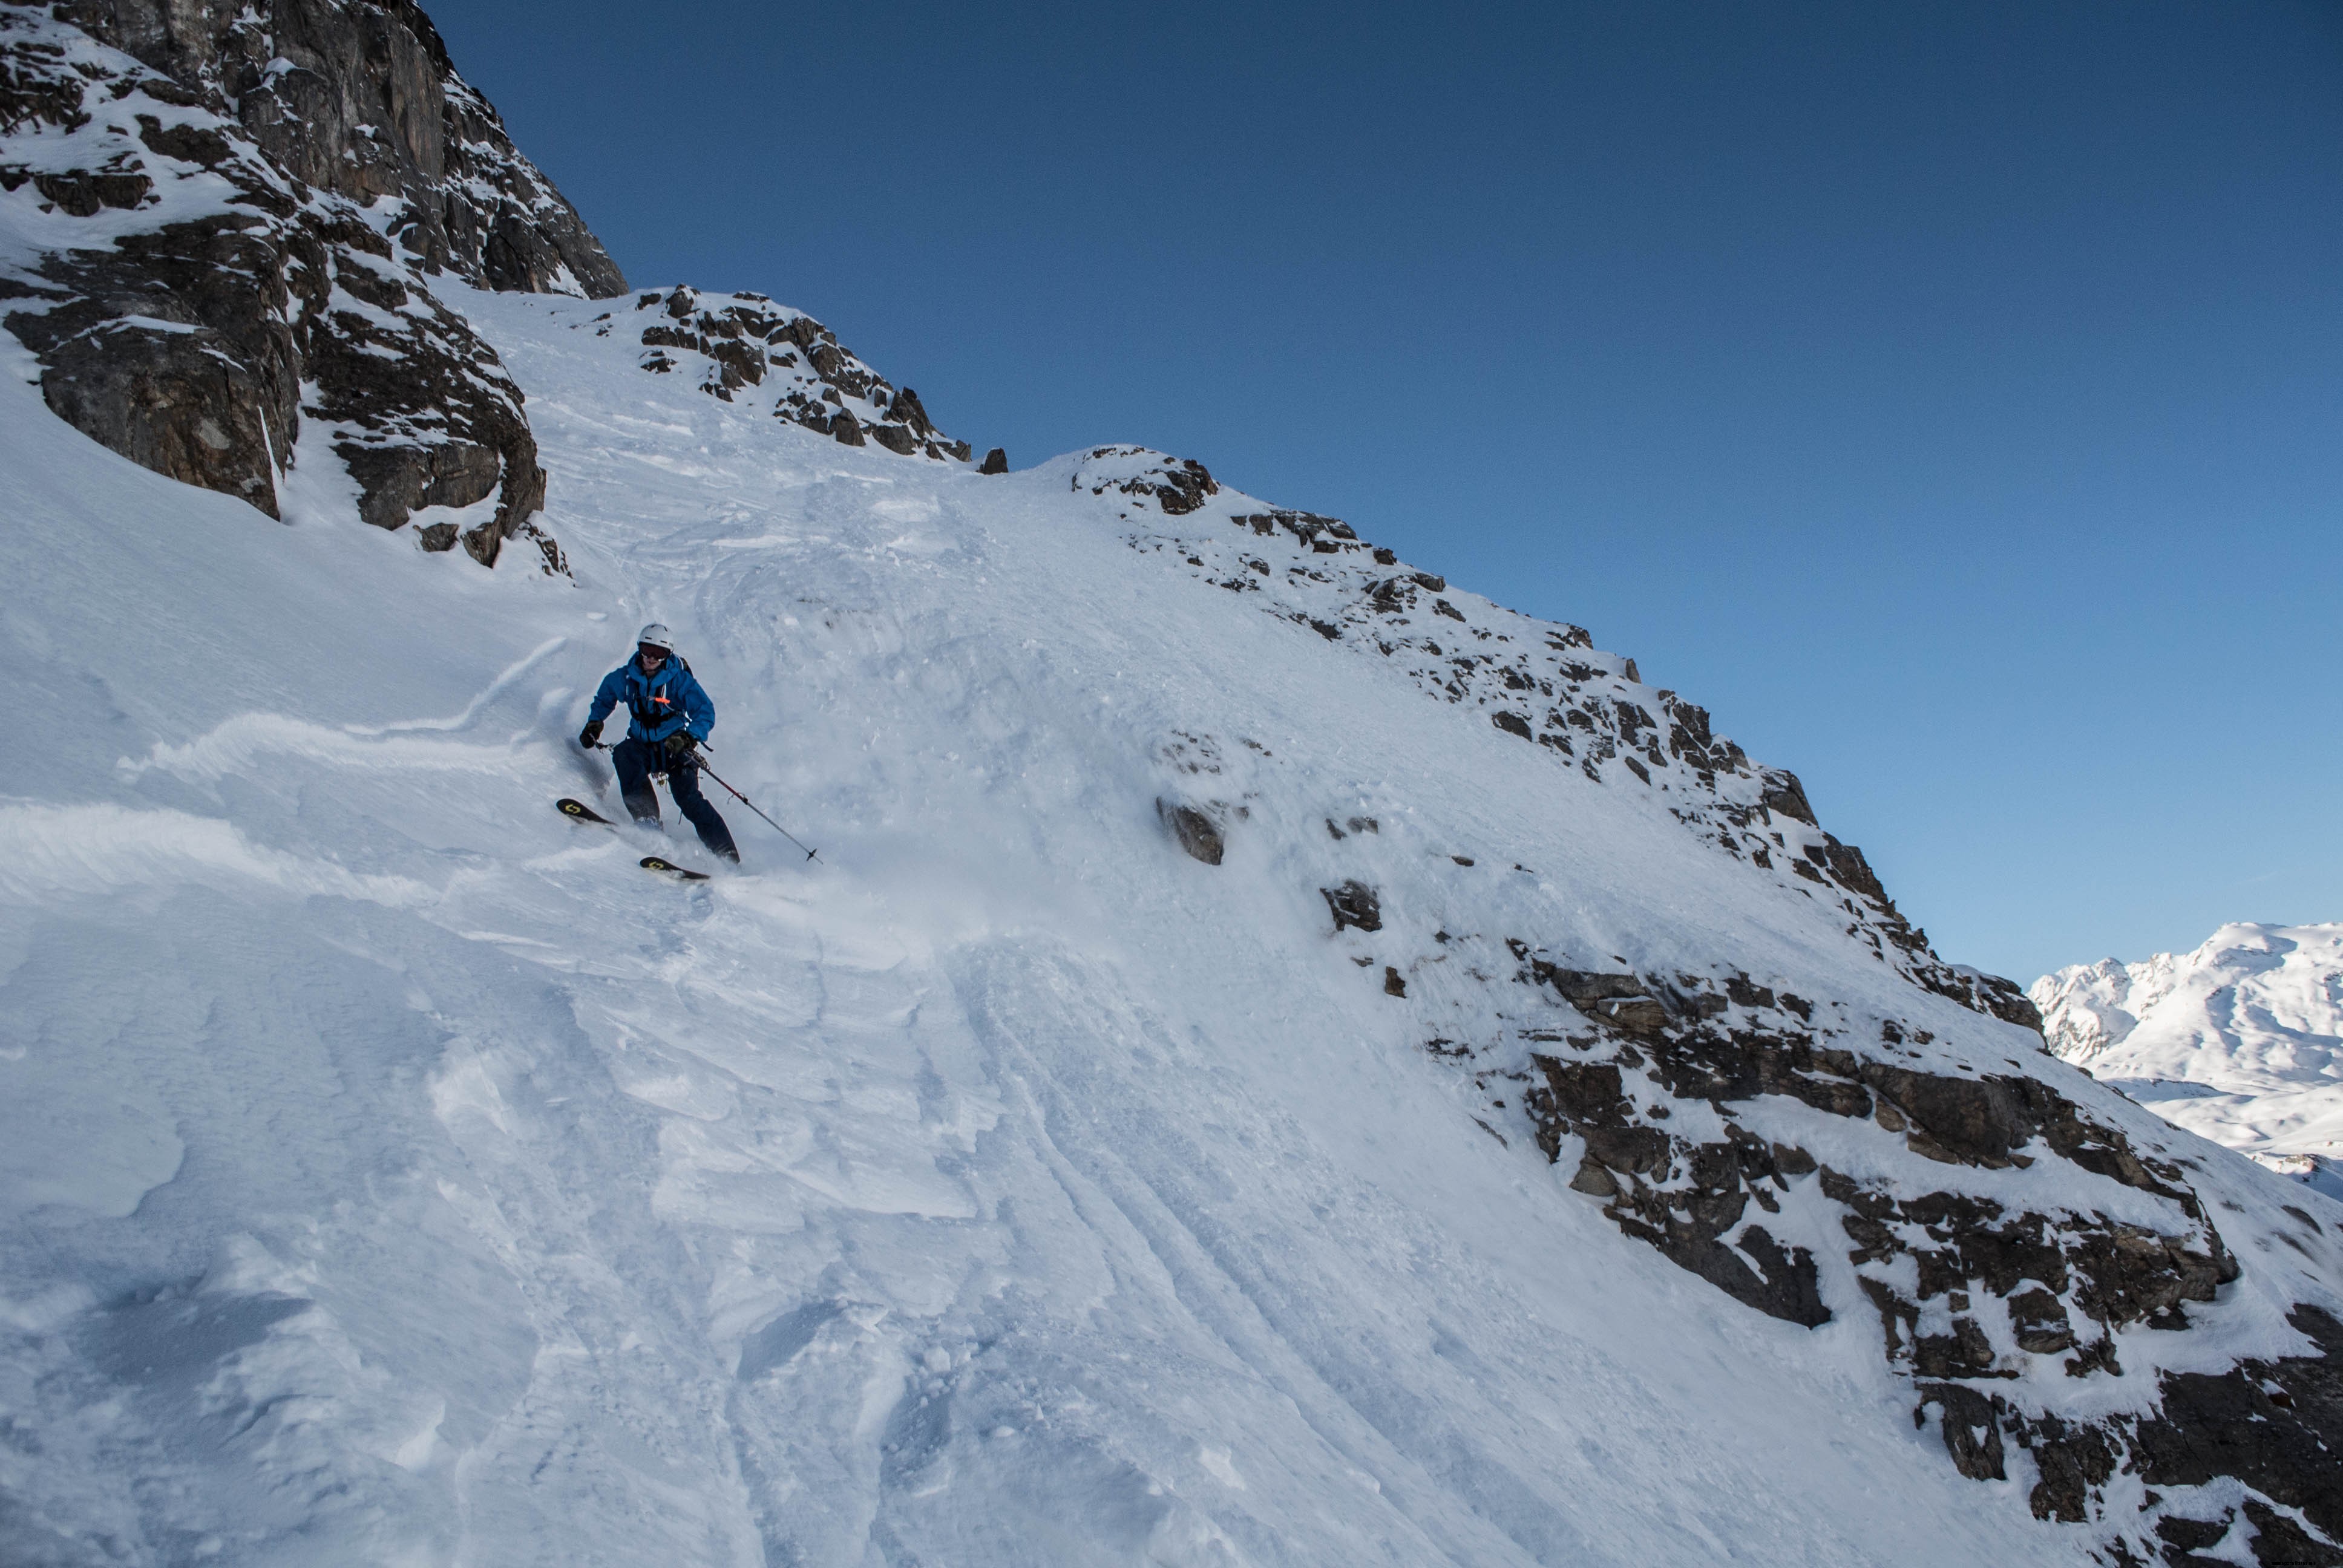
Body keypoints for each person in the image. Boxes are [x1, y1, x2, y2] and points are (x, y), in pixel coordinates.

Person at [578, 624, 739, 863]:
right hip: (642, 746)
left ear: (668, 655)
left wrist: (689, 737)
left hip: (674, 748)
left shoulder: (680, 681)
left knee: (689, 799)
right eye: (647, 650)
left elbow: (705, 712)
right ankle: (648, 822)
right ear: (640, 649)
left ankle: (727, 857)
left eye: (659, 653)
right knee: (624, 754)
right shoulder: (626, 677)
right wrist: (595, 723)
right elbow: (606, 696)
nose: (652, 658)